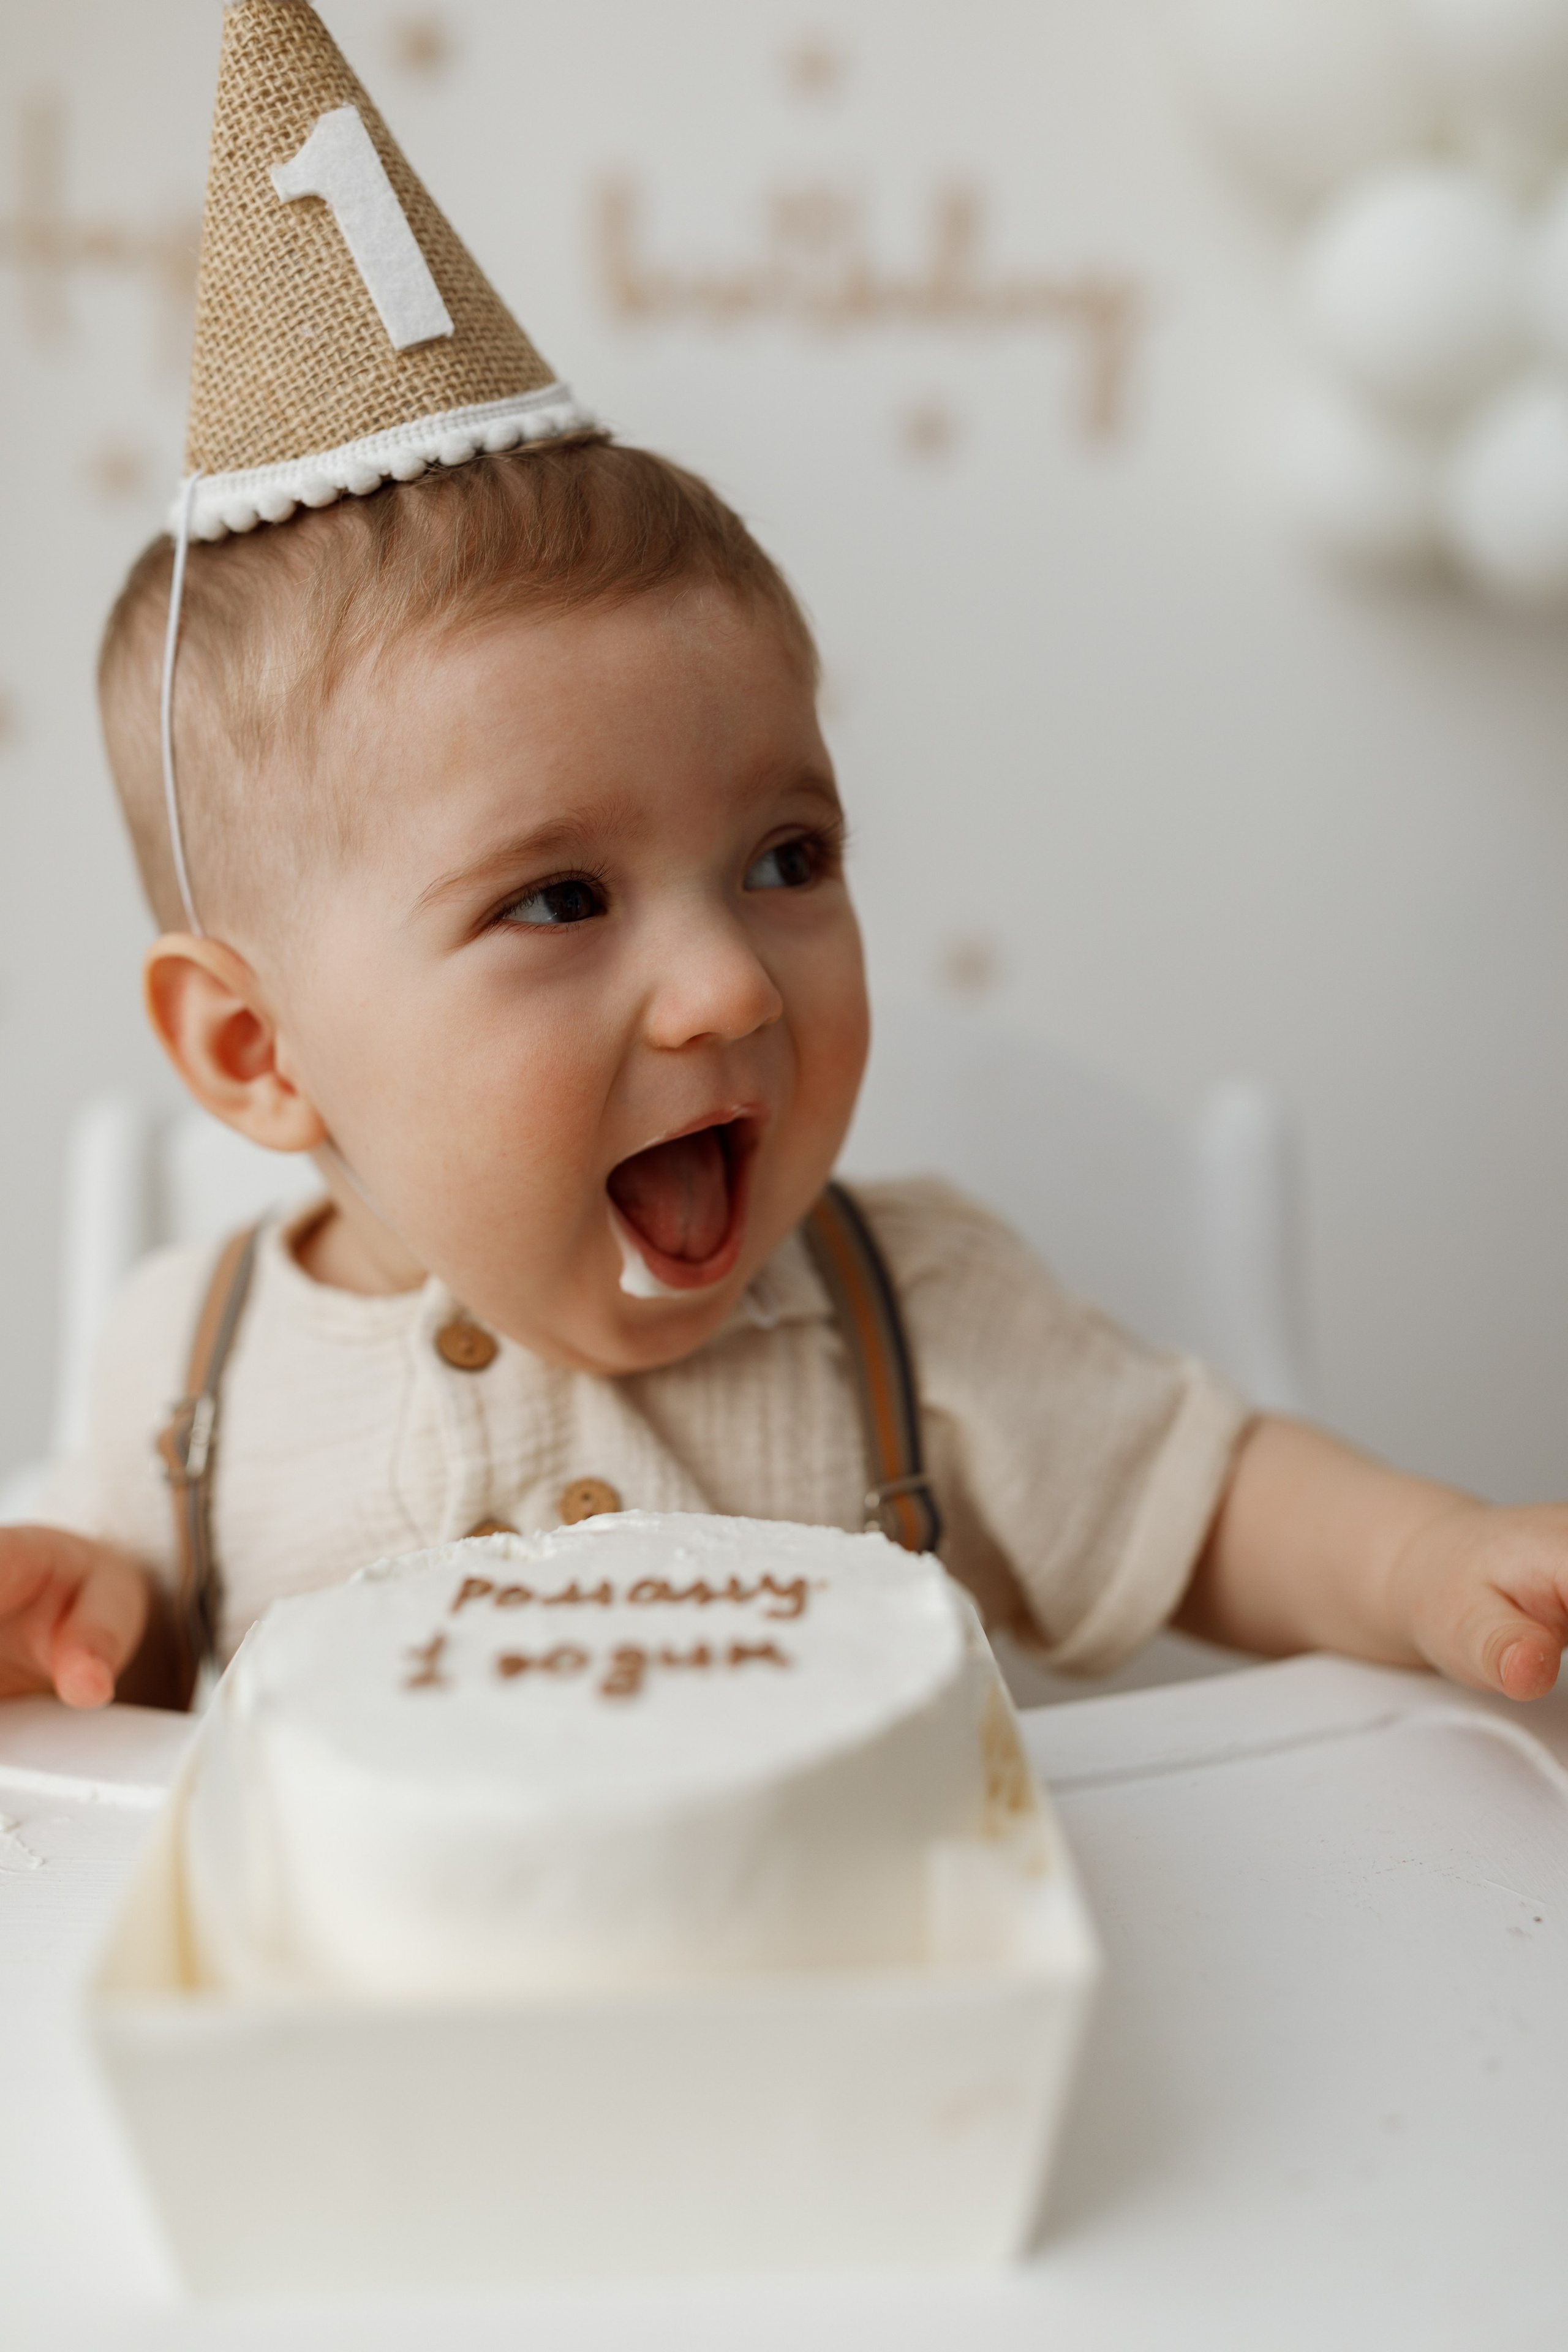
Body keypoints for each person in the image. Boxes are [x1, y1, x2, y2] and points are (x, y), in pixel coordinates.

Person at [3, 2, 1566, 1715]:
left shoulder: (916, 1308)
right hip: (384, 1991)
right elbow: (140, 1678)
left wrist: (1423, 1564)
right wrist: (84, 1620)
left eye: (785, 853)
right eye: (560, 899)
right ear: (255, 1049)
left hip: (886, 1981)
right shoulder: (193, 1356)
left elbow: (1207, 1503)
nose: (731, 982)